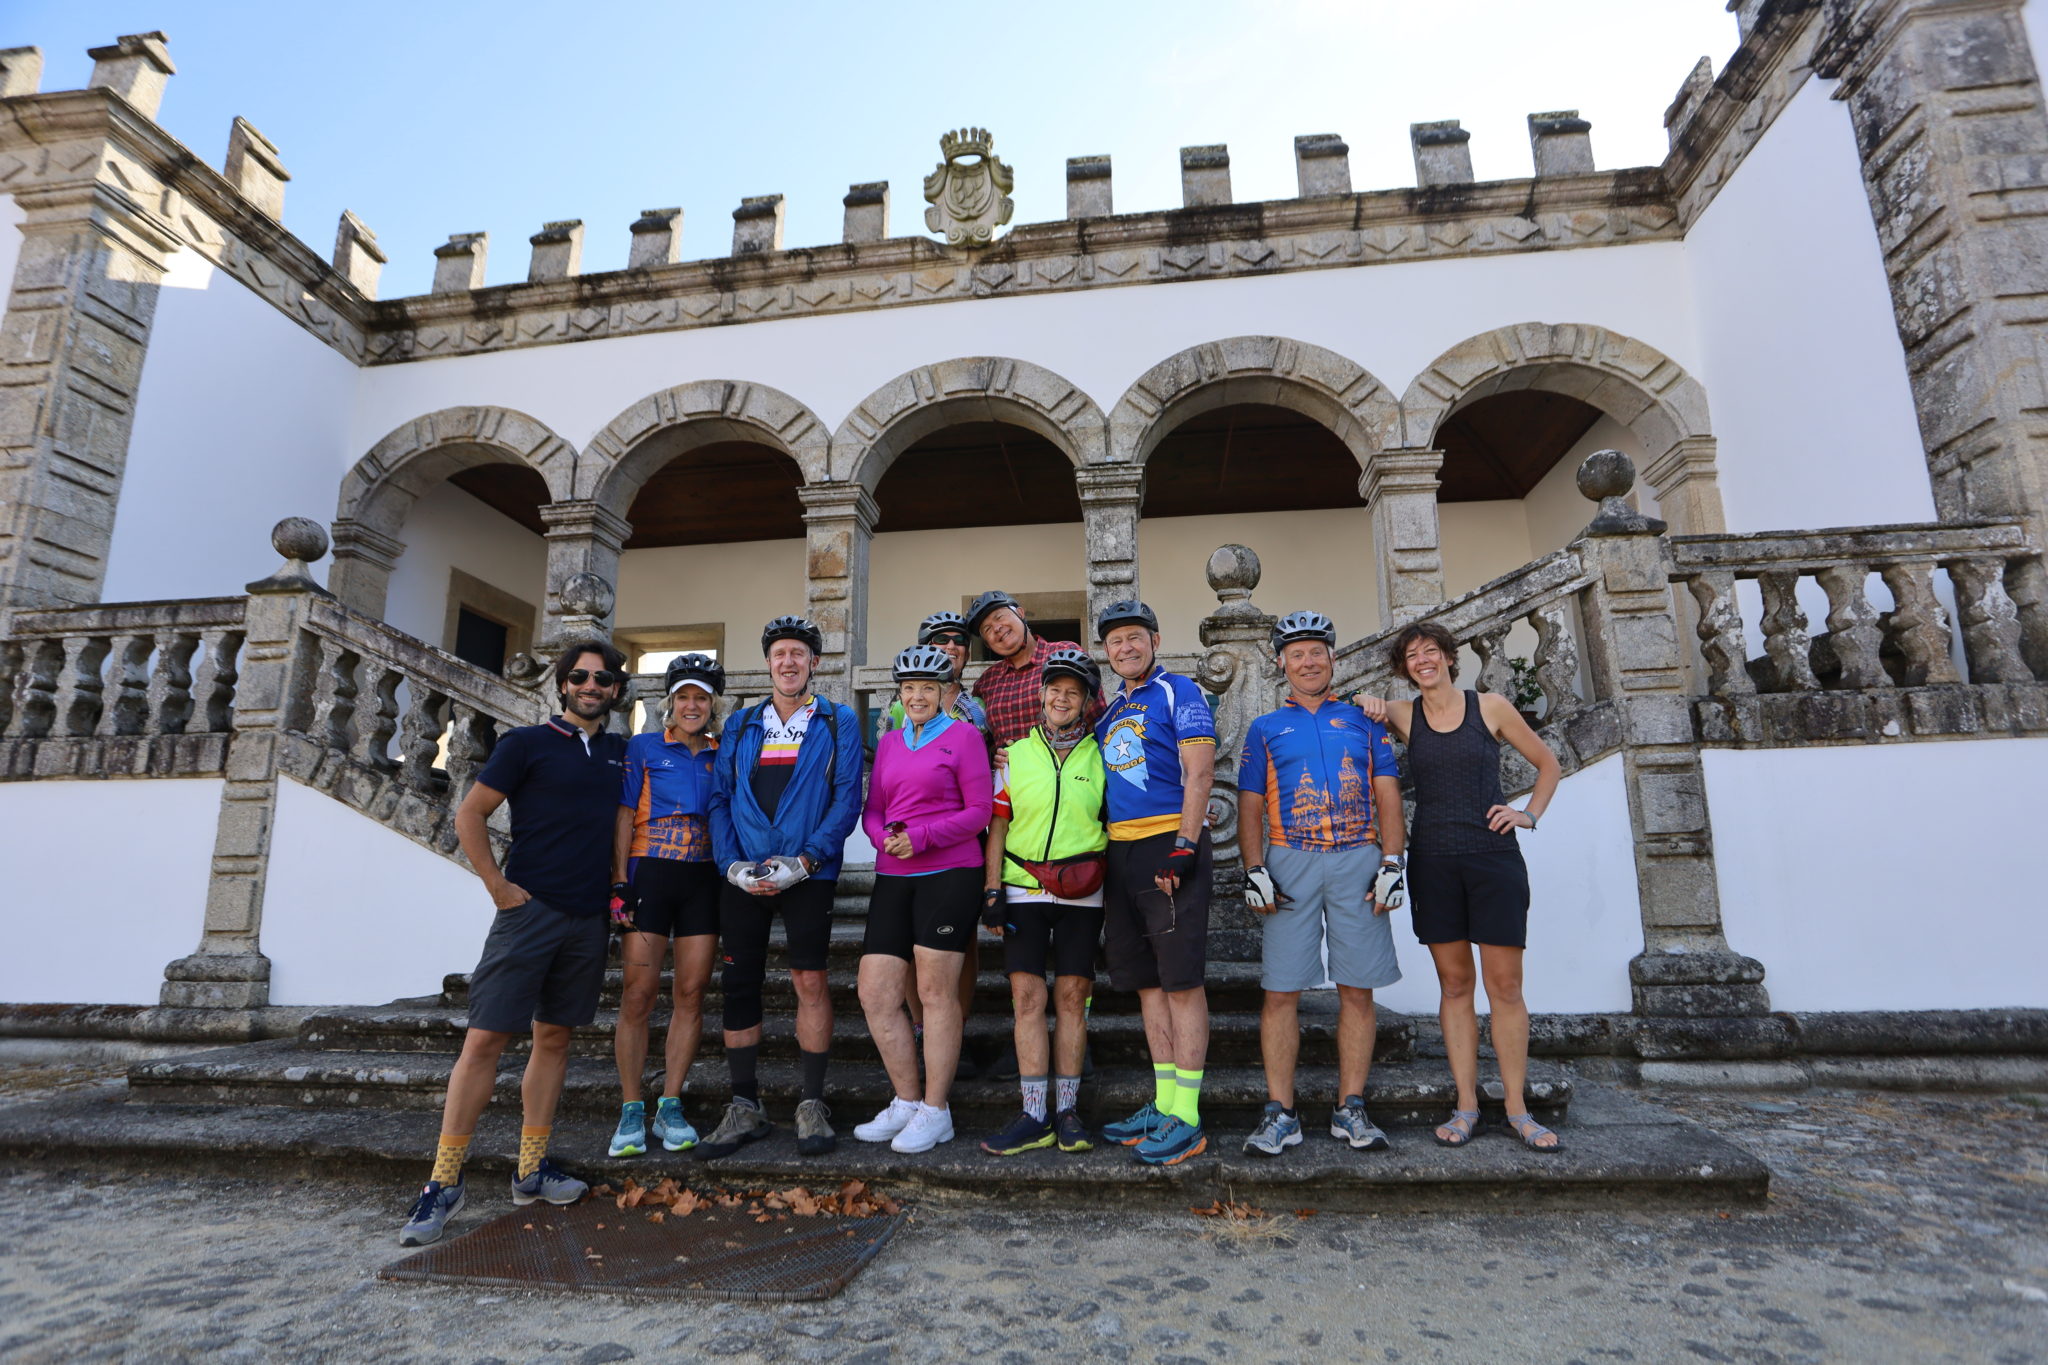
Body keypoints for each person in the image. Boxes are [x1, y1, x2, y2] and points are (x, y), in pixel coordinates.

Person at [400, 640, 628, 1247]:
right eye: (579, 676)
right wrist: (497, 886)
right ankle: (443, 1182)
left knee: (554, 1039)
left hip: (588, 918)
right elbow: (469, 814)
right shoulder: (525, 744)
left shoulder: (619, 754)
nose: (591, 685)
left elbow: (621, 825)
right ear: (563, 684)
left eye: (603, 678)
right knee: (484, 1040)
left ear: (616, 689)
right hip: (528, 913)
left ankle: (530, 1170)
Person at [1356, 620, 1565, 1153]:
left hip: (1494, 861)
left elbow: (1549, 764)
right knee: (1454, 986)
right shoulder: (1404, 714)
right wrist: (1368, 700)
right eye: (1412, 656)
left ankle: (1517, 1109)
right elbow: (1353, 703)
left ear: (1450, 657)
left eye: (1431, 651)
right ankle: (1466, 1105)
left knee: (1506, 987)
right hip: (1434, 863)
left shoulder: (1490, 707)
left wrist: (1528, 814)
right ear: (1404, 668)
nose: (1423, 660)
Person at [1237, 611, 1408, 1158]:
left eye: (1317, 652)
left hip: (1359, 857)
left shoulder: (1364, 719)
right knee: (1280, 991)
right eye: (1297, 654)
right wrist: (1254, 868)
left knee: (1357, 989)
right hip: (1291, 860)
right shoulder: (1265, 727)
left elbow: (1387, 792)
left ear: (1333, 659)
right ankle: (1280, 1113)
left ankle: (1350, 1107)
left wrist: (1393, 861)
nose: (1308, 662)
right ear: (1281, 663)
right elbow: (1250, 804)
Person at [696, 616, 865, 1161]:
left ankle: (811, 1103)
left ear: (814, 663)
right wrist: (731, 866)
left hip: (808, 871)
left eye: (798, 653)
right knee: (739, 984)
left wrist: (808, 859)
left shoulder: (838, 720)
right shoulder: (743, 723)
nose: (788, 662)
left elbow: (847, 798)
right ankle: (744, 1105)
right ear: (768, 663)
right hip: (745, 870)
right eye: (779, 654)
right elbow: (720, 797)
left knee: (809, 980)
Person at [851, 645, 994, 1153]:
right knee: (875, 991)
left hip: (950, 873)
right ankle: (907, 1100)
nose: (917, 696)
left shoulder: (965, 737)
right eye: (909, 688)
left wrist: (922, 837)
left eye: (927, 688)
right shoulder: (890, 741)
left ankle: (937, 1110)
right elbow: (873, 808)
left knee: (935, 993)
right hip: (894, 874)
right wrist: (880, 837)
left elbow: (979, 812)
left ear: (944, 692)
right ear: (899, 693)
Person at [1092, 601, 1217, 1166]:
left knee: (1181, 982)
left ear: (1155, 640)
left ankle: (1187, 1117)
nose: (1125, 648)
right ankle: (1165, 1103)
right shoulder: (1111, 709)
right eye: (1115, 641)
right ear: (1107, 651)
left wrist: (1186, 845)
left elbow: (1200, 771)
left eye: (1134, 637)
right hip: (1120, 850)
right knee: (1147, 984)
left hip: (1169, 841)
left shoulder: (1178, 690)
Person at [978, 647, 1107, 1157]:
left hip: (1083, 890)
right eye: (1055, 689)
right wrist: (992, 890)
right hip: (1022, 887)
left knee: (1073, 999)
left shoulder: (1103, 756)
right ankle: (1034, 1115)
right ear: (1042, 694)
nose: (1062, 698)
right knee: (1028, 1000)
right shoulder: (1014, 754)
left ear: (1087, 703)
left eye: (1073, 692)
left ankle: (1068, 1112)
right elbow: (998, 824)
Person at [606, 653, 724, 1158]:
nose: (692, 706)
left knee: (692, 994)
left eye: (701, 698)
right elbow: (623, 814)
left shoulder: (722, 752)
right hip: (649, 873)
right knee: (638, 993)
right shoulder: (644, 746)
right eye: (683, 698)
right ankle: (631, 1108)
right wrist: (618, 882)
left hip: (703, 877)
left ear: (713, 706)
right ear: (669, 704)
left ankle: (670, 1103)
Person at [880, 611, 991, 1064]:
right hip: (906, 845)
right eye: (939, 639)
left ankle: (953, 1029)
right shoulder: (898, 708)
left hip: (961, 836)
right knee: (910, 947)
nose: (951, 646)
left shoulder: (977, 707)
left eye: (959, 640)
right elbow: (891, 765)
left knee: (961, 942)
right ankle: (922, 1028)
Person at [967, 590, 1101, 747]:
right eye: (987, 629)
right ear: (987, 644)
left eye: (999, 617)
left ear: (1020, 613)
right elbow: (982, 741)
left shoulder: (1065, 653)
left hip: (1067, 761)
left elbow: (1098, 720)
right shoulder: (986, 682)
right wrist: (995, 754)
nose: (996, 628)